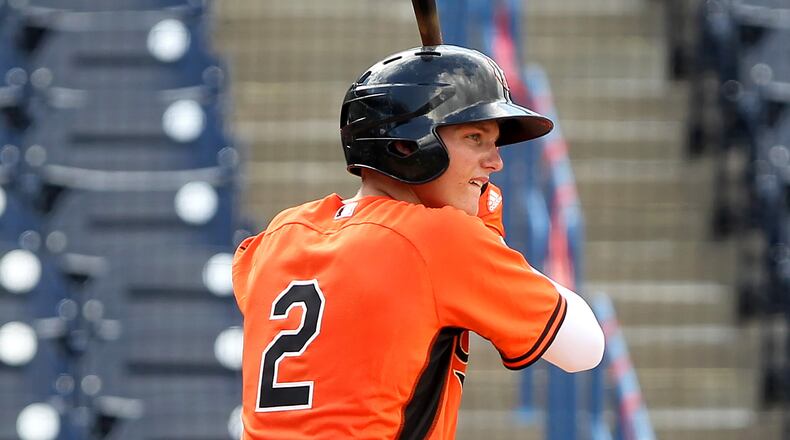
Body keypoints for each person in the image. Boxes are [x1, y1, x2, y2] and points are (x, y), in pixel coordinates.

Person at [232, 44, 604, 440]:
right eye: (475, 138)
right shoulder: (439, 240)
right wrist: (484, 231)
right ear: (406, 145)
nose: (495, 162)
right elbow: (583, 348)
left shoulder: (280, 232)